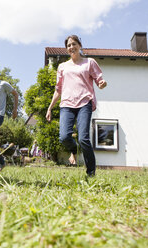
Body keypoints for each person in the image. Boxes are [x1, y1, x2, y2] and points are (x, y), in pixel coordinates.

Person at [46, 35, 107, 177]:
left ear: (80, 45)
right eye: (68, 45)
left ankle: (91, 172)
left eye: (74, 44)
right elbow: (58, 89)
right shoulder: (62, 66)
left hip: (84, 102)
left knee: (83, 138)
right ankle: (73, 150)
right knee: (64, 137)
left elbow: (99, 80)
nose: (71, 47)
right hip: (66, 104)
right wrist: (50, 108)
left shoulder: (89, 62)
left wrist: (102, 84)